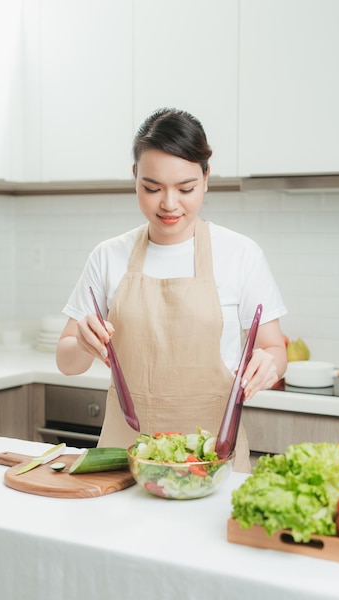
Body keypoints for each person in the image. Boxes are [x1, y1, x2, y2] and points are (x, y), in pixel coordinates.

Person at [56, 108, 288, 472]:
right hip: (124, 463)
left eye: (186, 188)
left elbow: (273, 347)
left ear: (206, 178)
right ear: (134, 177)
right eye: (152, 188)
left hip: (211, 463)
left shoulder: (241, 255)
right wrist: (83, 345)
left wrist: (268, 365)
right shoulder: (107, 257)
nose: (168, 203)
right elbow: (66, 360)